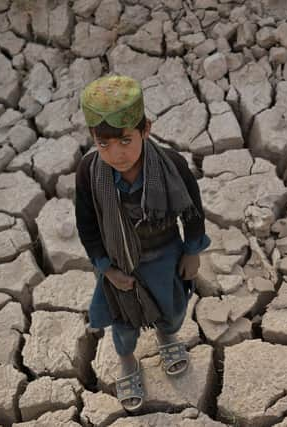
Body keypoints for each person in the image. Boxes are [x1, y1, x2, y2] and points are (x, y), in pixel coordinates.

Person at [75, 75, 210, 412]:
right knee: (122, 323)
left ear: (145, 129)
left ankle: (166, 338)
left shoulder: (170, 165)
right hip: (120, 264)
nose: (116, 153)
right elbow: (87, 226)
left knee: (172, 308)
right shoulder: (90, 173)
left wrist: (192, 252)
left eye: (124, 140)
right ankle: (128, 364)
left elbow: (193, 212)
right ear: (93, 139)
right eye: (103, 144)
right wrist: (106, 269)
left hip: (165, 254)